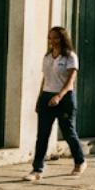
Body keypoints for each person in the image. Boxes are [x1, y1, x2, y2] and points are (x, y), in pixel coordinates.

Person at [24, 26, 86, 181]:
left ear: (63, 39)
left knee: (68, 132)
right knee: (42, 134)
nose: (52, 41)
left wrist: (59, 96)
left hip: (64, 97)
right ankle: (37, 169)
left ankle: (80, 161)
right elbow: (45, 78)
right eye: (50, 38)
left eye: (56, 38)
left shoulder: (70, 57)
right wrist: (40, 98)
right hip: (47, 95)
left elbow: (70, 80)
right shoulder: (47, 57)